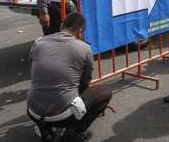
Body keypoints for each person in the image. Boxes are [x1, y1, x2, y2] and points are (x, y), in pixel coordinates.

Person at [27, 12, 112, 142]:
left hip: (33, 112)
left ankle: (46, 131)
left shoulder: (38, 43)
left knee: (41, 89)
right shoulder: (85, 48)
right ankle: (74, 133)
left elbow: (32, 71)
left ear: (61, 25)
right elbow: (85, 82)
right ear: (80, 32)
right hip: (64, 117)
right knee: (105, 91)